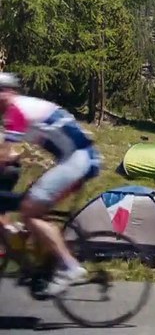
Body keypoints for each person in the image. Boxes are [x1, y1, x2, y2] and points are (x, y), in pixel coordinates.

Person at [0, 72, 102, 296]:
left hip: (79, 159)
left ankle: (70, 267)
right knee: (31, 199)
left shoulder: (15, 110)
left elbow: (5, 154)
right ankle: (44, 264)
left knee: (29, 211)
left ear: (8, 92)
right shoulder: (20, 108)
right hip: (74, 158)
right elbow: (11, 153)